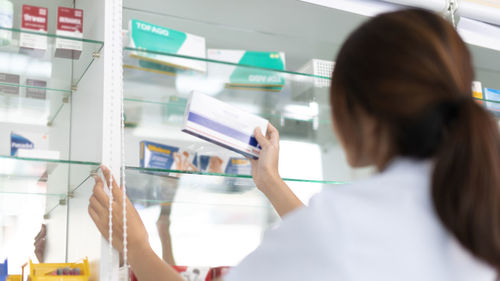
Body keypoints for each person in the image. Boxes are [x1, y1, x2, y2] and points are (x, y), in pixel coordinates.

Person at [88, 8, 500, 281]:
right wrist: (271, 183)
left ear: (356, 115)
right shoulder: (475, 208)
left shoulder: (342, 224)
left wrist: (135, 245)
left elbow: (337, 241)